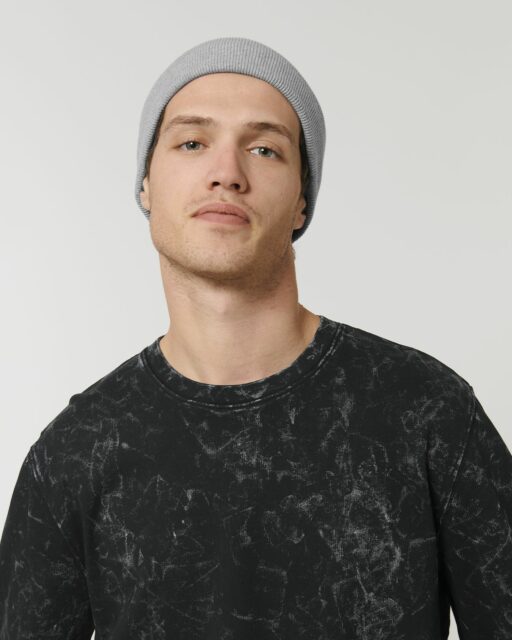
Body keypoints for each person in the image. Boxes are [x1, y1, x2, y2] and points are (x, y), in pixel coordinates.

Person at [0, 36, 510, 640]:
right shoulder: (73, 452)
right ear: (145, 185)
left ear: (301, 203)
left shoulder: (426, 410)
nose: (227, 174)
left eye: (264, 149)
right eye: (192, 142)